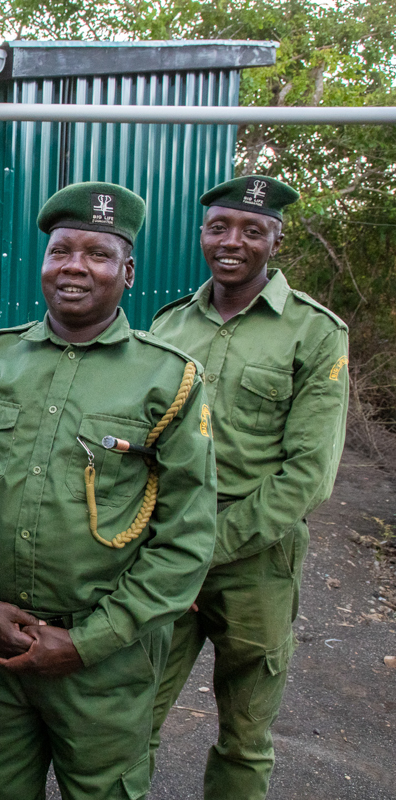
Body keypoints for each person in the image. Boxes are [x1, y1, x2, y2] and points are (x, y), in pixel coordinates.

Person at [0, 181, 217, 800]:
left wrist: (88, 642)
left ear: (128, 272)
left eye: (97, 254)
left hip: (106, 664)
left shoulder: (168, 378)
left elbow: (186, 538)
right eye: (60, 250)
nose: (74, 266)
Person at [149, 175, 349, 799]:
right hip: (167, 548)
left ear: (276, 241)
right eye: (219, 228)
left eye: (252, 231)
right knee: (132, 718)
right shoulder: (169, 324)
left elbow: (308, 475)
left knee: (245, 736)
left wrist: (202, 549)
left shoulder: (315, 333)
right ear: (203, 235)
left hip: (258, 558)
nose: (232, 242)